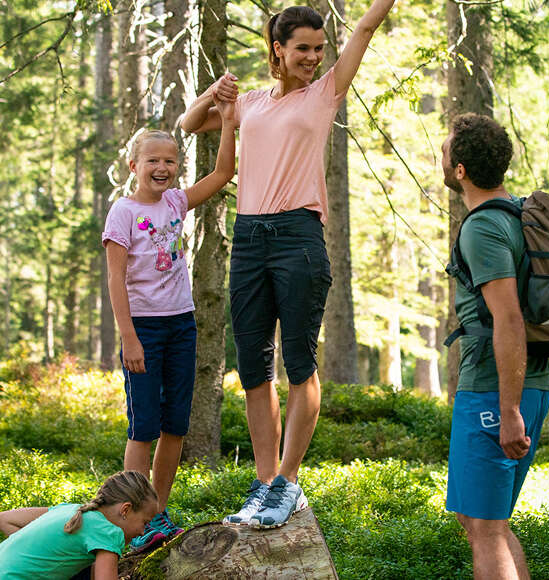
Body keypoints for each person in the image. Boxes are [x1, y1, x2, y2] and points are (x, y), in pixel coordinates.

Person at [181, 0, 396, 529]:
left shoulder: (325, 94)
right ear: (278, 49)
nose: (314, 58)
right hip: (250, 237)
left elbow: (366, 26)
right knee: (254, 366)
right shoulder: (250, 103)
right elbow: (189, 125)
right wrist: (217, 92)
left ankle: (289, 482)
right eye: (303, 49)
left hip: (299, 236)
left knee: (299, 363)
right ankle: (265, 483)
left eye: (320, 49)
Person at [102, 100, 235, 551]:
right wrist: (129, 338)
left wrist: (230, 122)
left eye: (170, 161)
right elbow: (115, 279)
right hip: (143, 328)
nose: (162, 168)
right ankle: (128, 518)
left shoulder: (177, 201)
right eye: (153, 160)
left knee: (176, 425)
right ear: (134, 164)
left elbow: (221, 176)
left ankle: (157, 514)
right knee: (144, 428)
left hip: (181, 325)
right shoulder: (122, 212)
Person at [442, 113, 549, 579]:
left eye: (445, 152)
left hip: (496, 389)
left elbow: (507, 318)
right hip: (524, 383)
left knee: (485, 528)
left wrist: (509, 411)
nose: (441, 159)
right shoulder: (517, 213)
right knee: (484, 522)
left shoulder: (483, 228)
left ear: (461, 169)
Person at [0, 470, 158, 579]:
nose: (143, 532)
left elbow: (4, 519)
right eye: (145, 522)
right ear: (126, 510)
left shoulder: (70, 510)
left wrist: (34, 560)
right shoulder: (109, 533)